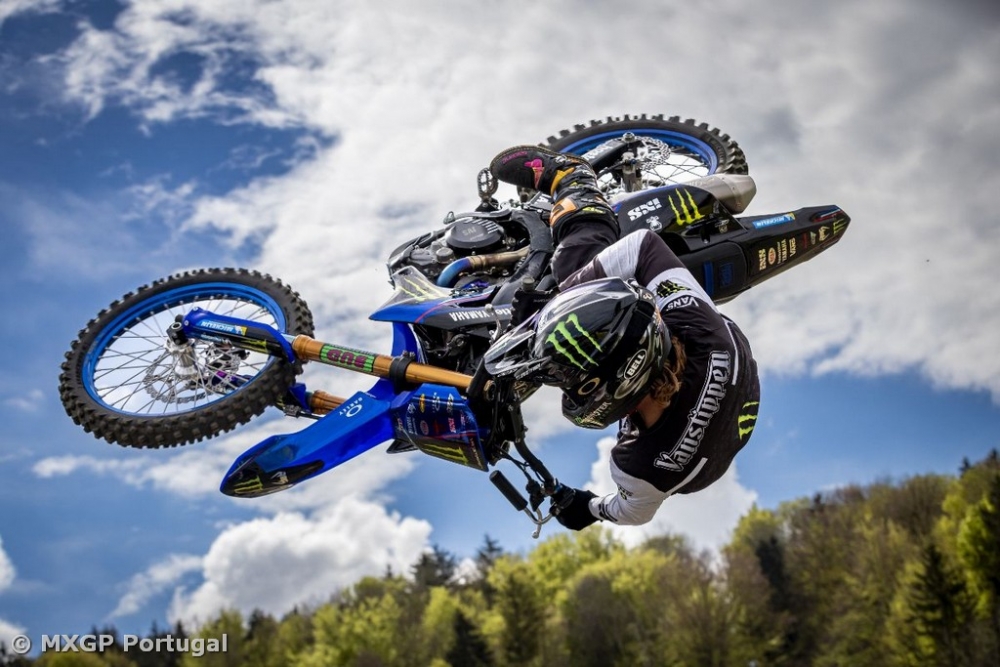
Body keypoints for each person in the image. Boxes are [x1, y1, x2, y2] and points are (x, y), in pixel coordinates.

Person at [485, 145, 761, 530]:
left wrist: (587, 507)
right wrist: (557, 301)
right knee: (574, 270)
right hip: (723, 351)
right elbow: (643, 246)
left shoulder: (642, 468)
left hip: (719, 422)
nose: (569, 385)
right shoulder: (700, 331)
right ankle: (572, 177)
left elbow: (633, 511)